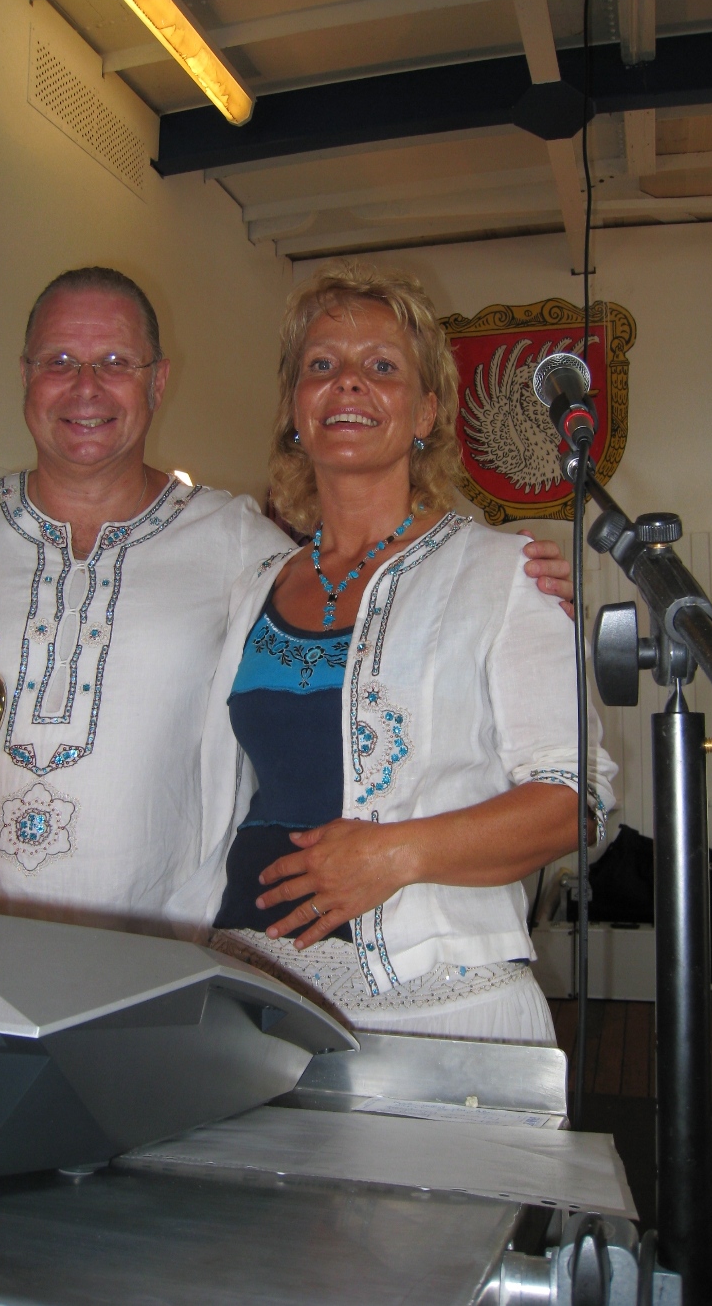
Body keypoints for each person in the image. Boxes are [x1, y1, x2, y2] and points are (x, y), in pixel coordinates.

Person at [0, 266, 576, 933]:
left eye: (116, 362)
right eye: (60, 362)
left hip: (169, 957)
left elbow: (373, 587)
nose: (86, 387)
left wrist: (504, 580)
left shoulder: (237, 542)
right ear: (25, 375)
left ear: (157, 382)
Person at [170, 262, 616, 1043]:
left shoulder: (501, 571)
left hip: (437, 1002)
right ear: (295, 409)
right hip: (247, 995)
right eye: (321, 364)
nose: (347, 382)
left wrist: (396, 854)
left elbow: (575, 801)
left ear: (426, 412)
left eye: (381, 367)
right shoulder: (254, 582)